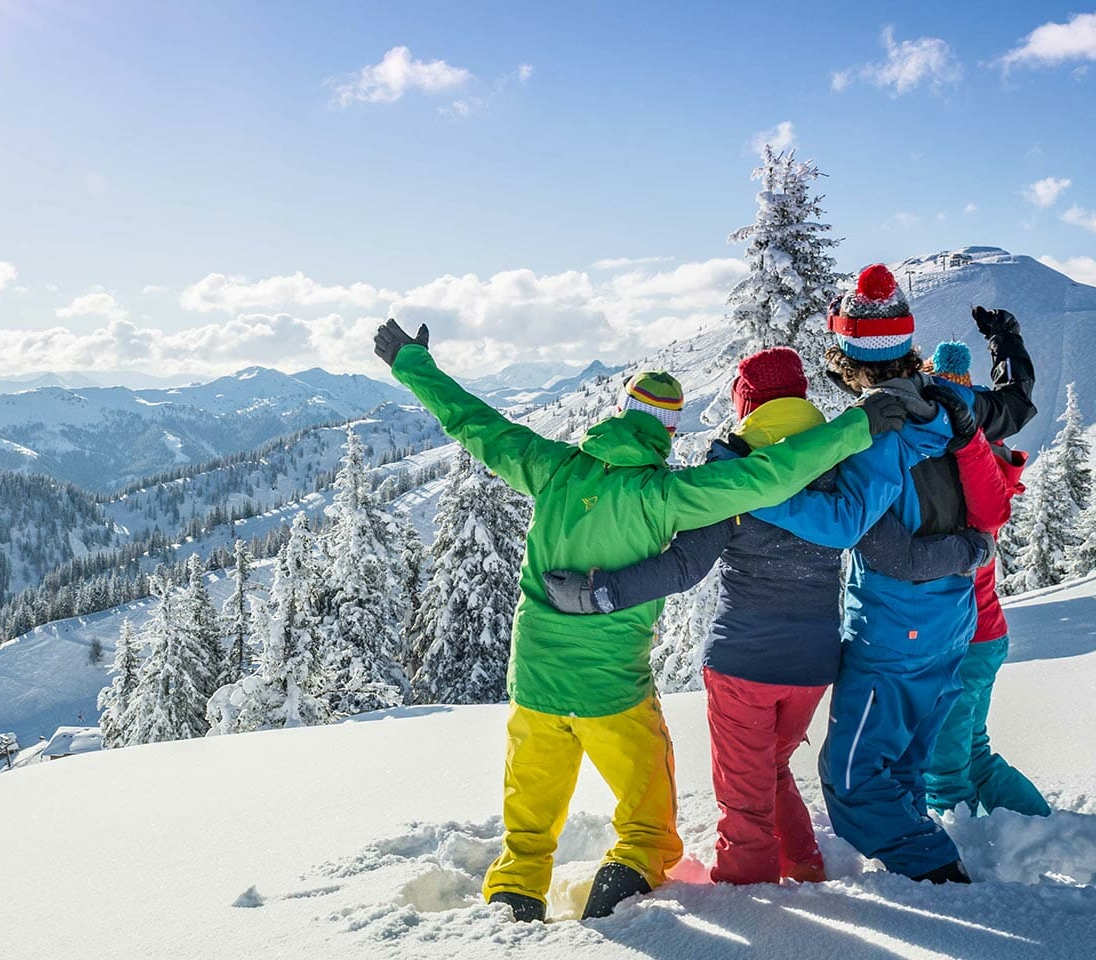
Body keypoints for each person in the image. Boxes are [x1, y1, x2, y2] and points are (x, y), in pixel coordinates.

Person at [372, 319, 917, 923]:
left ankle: (516, 895)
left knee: (528, 823)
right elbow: (769, 476)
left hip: (534, 683)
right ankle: (627, 876)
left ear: (618, 412)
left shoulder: (551, 468)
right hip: (614, 692)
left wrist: (411, 363)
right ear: (670, 429)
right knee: (649, 824)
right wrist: (858, 424)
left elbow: (473, 423)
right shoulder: (669, 496)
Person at [541, 345, 987, 886]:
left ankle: (745, 891)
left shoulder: (734, 475)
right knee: (773, 768)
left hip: (742, 664)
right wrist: (969, 549)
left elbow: (684, 567)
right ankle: (803, 864)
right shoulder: (838, 461)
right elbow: (883, 541)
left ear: (745, 405)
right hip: (815, 666)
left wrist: (602, 592)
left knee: (742, 797)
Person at [750, 264, 1037, 884]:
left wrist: (753, 489)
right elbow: (1013, 406)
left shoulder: (878, 430)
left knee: (851, 777)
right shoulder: (950, 402)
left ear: (849, 359)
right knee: (904, 760)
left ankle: (934, 869)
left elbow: (845, 523)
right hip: (953, 622)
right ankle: (927, 865)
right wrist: (1006, 343)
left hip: (896, 627)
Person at [920, 342, 1051, 819]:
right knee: (975, 758)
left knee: (945, 770)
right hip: (985, 636)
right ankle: (1045, 831)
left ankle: (960, 875)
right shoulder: (989, 462)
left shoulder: (963, 475)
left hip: (965, 639)